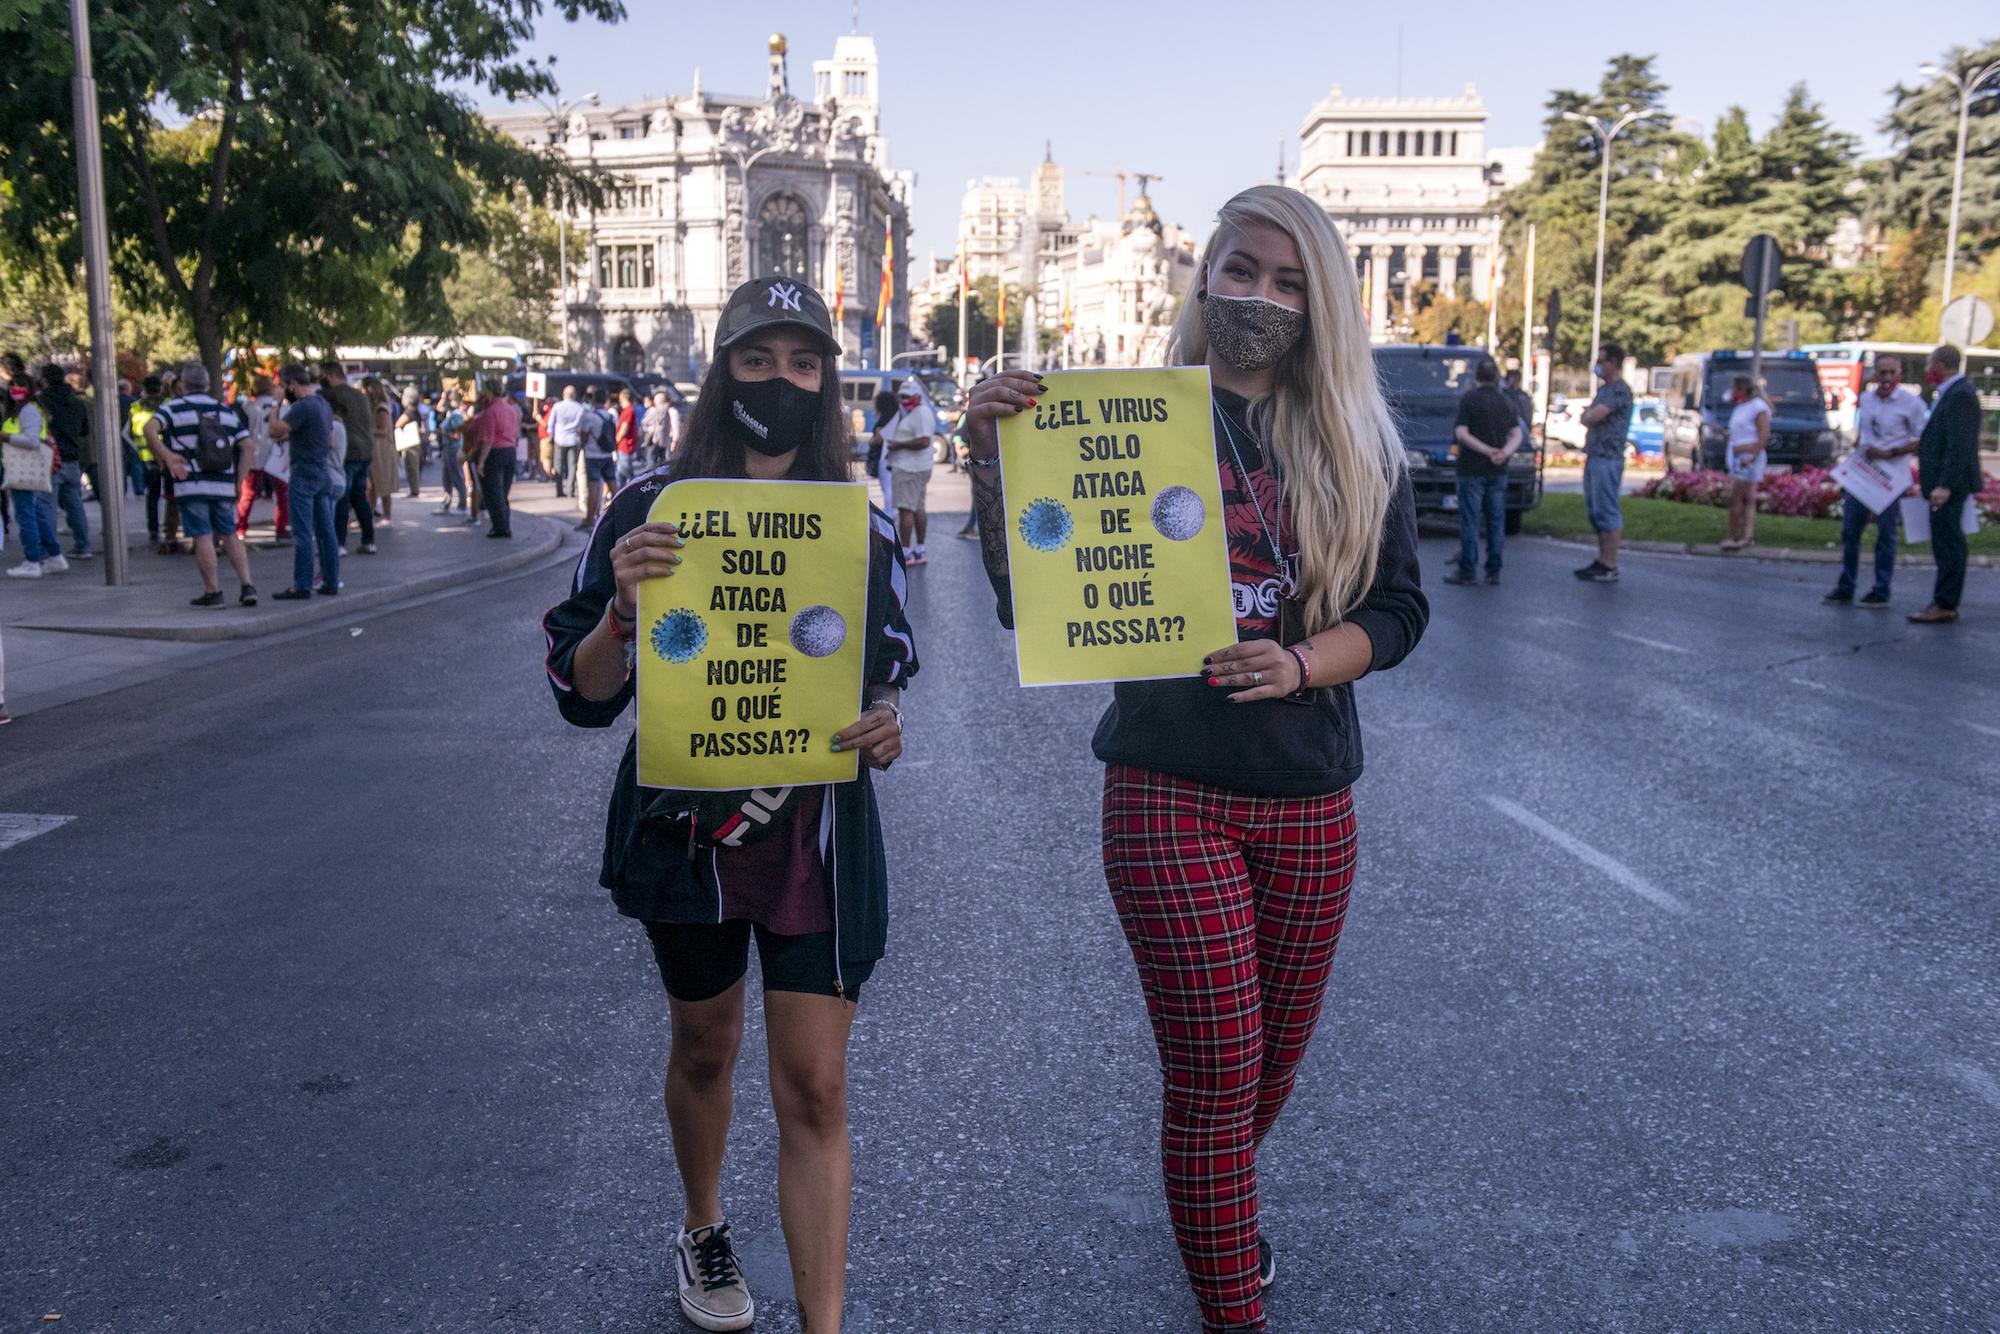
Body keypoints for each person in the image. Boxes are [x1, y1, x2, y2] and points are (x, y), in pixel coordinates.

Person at [965, 184, 1427, 1334]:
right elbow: (1032, 600)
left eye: (1284, 280)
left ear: (1318, 299)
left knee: (1262, 1075)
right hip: (1166, 791)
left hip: (1310, 796)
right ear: (1200, 275)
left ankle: (1213, 1203)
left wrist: (1305, 661)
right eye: (1237, 270)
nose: (1257, 297)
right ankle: (1231, 1302)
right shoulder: (1116, 414)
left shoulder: (1357, 440)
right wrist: (990, 453)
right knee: (1216, 1077)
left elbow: (1404, 609)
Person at [541, 274, 917, 1334]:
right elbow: (582, 694)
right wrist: (620, 607)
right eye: (758, 359)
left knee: (816, 1086)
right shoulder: (646, 509)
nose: (781, 381)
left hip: (818, 839)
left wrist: (884, 720)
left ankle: (824, 1321)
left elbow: (882, 670)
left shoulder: (859, 520)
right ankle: (702, 1222)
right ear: (721, 373)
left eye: (803, 363)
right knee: (704, 1043)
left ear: (828, 382)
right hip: (689, 835)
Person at [144, 362, 258, 608]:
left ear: (182, 385)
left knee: (203, 536)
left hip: (192, 483)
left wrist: (167, 456)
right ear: (206, 385)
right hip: (223, 483)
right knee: (229, 534)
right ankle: (247, 585)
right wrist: (239, 479)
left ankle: (213, 591)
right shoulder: (224, 410)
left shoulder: (172, 409)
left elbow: (149, 429)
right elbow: (248, 445)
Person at [1828, 354, 1927, 607]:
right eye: (1882, 373)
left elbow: (1919, 440)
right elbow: (1864, 433)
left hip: (1892, 478)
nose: (1886, 378)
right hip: (1863, 474)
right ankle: (1845, 585)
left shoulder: (1911, 404)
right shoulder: (1866, 399)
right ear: (1875, 375)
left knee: (1886, 534)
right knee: (1850, 532)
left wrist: (1890, 452)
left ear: (1899, 375)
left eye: (1891, 373)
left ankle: (1881, 589)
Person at [1908, 344, 1982, 625]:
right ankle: (1943, 600)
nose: (1928, 371)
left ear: (1939, 365)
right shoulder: (1952, 392)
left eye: (1929, 365)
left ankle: (1945, 602)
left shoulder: (1959, 395)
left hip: (1949, 485)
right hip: (1945, 482)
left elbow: (1958, 447)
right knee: (1946, 541)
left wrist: (1945, 485)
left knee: (1949, 543)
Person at [1444, 355, 1522, 585]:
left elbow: (1462, 433)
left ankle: (1468, 569)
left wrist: (1486, 450)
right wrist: (1503, 453)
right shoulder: (1506, 401)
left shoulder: (1469, 399)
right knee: (1496, 521)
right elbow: (1517, 434)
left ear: (1476, 376)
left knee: (1471, 520)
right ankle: (1494, 569)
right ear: (1497, 377)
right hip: (1498, 470)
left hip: (1471, 468)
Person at [267, 363, 341, 599]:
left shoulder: (302, 406)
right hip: (322, 470)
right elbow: (329, 441)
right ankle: (330, 580)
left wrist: (275, 405)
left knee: (302, 531)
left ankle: (302, 584)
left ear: (292, 384)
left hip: (303, 471)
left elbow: (274, 430)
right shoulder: (322, 404)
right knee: (326, 530)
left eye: (284, 386)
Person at [1573, 341, 1633, 582]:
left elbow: (1594, 415)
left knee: (1607, 510)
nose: (1597, 366)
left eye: (1601, 361)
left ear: (1613, 363)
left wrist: (1588, 416)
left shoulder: (1619, 390)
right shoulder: (1605, 389)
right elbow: (1588, 415)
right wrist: (1588, 416)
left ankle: (1610, 564)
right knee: (1596, 511)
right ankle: (1601, 560)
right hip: (1595, 455)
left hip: (1608, 458)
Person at [4, 376, 65, 578]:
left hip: (23, 469)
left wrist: (6, 437)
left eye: (21, 385)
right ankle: (54, 556)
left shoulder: (28, 410)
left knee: (26, 515)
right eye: (12, 385)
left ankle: (32, 560)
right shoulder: (27, 409)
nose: (15, 389)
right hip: (23, 468)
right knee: (35, 512)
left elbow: (32, 441)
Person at [38, 364, 93, 559]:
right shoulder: (77, 402)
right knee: (74, 504)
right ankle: (83, 545)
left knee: (47, 506)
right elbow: (84, 430)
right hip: (72, 458)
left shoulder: (42, 401)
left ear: (45, 379)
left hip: (50, 459)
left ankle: (50, 550)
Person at [321, 362, 377, 555]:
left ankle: (339, 542)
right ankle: (369, 539)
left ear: (329, 376)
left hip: (348, 451)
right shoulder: (360, 396)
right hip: (365, 451)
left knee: (342, 499)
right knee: (359, 496)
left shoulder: (334, 396)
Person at [882, 378, 937, 564]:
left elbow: (924, 442)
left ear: (917, 396)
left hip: (909, 468)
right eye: (902, 396)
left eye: (907, 396)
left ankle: (906, 552)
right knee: (917, 509)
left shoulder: (920, 413)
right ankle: (920, 550)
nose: (903, 400)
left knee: (906, 510)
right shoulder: (914, 411)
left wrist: (897, 444)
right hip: (916, 467)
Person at [235, 373, 290, 545]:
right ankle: (281, 528)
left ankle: (240, 528)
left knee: (248, 493)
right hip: (276, 453)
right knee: (281, 494)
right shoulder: (282, 407)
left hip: (255, 453)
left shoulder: (247, 406)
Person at [1719, 374, 1771, 553]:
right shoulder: (1740, 407)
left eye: (1735, 388)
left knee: (1737, 497)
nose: (1732, 392)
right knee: (1747, 497)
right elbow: (1738, 433)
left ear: (1743, 389)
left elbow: (1763, 433)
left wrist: (1754, 455)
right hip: (1737, 455)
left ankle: (1732, 535)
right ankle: (1745, 536)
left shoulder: (1758, 407)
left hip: (1747, 457)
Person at [467, 383, 520, 539]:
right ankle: (504, 525)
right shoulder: (510, 409)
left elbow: (488, 440)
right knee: (502, 492)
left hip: (495, 453)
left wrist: (481, 462)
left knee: (493, 493)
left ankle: (500, 527)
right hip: (509, 451)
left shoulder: (491, 412)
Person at [362, 377, 396, 522]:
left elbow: (383, 430)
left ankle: (387, 515)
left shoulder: (381, 407)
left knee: (383, 484)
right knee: (372, 485)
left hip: (381, 450)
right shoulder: (375, 406)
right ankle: (370, 513)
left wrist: (366, 430)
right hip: (374, 448)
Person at [548, 383, 588, 499]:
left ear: (564, 394)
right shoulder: (579, 408)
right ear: (574, 395)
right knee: (572, 466)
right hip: (573, 439)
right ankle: (570, 490)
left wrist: (551, 435)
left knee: (558, 466)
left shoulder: (557, 406)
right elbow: (581, 425)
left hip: (559, 438)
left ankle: (559, 490)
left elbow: (551, 423)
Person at [435, 392, 469, 515]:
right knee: (447, 478)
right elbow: (439, 407)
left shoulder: (456, 416)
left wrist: (443, 433)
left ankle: (462, 504)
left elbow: (457, 435)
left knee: (456, 477)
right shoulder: (451, 414)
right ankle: (446, 504)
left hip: (453, 448)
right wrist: (444, 397)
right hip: (447, 448)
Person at [399, 386, 426, 499]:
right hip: (415, 442)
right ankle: (414, 489)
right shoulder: (416, 410)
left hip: (410, 443)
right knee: (413, 467)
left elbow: (398, 424)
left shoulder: (409, 412)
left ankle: (414, 490)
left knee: (412, 467)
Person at [641, 389, 674, 469]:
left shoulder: (655, 410)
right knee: (661, 459)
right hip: (664, 440)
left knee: (651, 459)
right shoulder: (668, 410)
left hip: (655, 439)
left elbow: (644, 422)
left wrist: (648, 428)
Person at [614, 385, 640, 487]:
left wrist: (615, 441)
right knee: (619, 474)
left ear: (623, 397)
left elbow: (624, 429)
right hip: (623, 446)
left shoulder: (628, 411)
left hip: (624, 445)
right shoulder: (628, 410)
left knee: (626, 472)